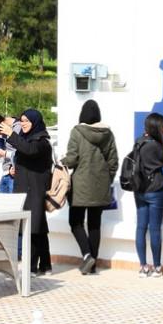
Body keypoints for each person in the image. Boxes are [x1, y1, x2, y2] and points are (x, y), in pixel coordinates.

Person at [61, 100, 119, 276]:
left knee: (75, 222)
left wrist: (61, 162)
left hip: (80, 186)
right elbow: (113, 161)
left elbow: (72, 159)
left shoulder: (77, 132)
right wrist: (106, 178)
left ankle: (87, 256)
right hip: (100, 185)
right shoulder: (108, 133)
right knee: (95, 225)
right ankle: (92, 264)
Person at [0, 109, 53, 275]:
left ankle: (31, 266)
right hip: (25, 187)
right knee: (38, 227)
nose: (23, 124)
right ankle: (45, 265)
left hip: (35, 188)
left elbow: (30, 151)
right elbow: (23, 154)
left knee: (33, 227)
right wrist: (14, 169)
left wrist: (11, 134)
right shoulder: (25, 138)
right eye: (21, 120)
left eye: (26, 121)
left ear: (35, 122)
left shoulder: (42, 141)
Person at [132, 113, 163, 277]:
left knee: (141, 228)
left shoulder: (139, 142)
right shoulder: (155, 145)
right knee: (154, 228)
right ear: (157, 127)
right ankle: (156, 267)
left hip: (139, 190)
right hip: (155, 189)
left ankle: (143, 266)